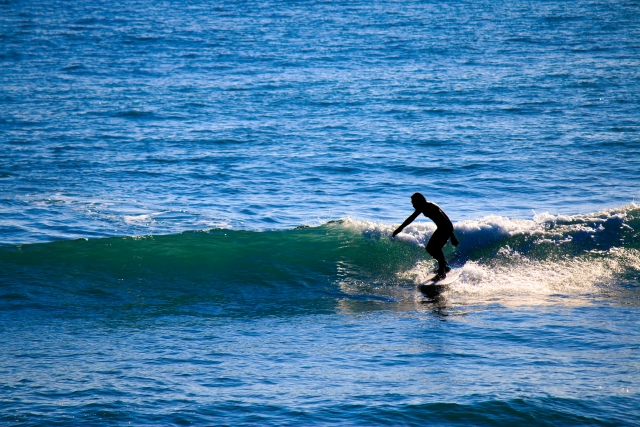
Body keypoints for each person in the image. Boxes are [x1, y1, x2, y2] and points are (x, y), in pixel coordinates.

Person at [392, 193, 459, 279]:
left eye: (414, 203)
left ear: (420, 201)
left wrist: (452, 237)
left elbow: (446, 221)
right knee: (429, 248)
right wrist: (400, 228)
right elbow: (411, 218)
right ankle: (443, 265)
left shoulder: (431, 207)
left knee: (437, 249)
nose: (412, 205)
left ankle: (442, 271)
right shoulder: (423, 207)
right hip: (441, 228)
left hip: (446, 228)